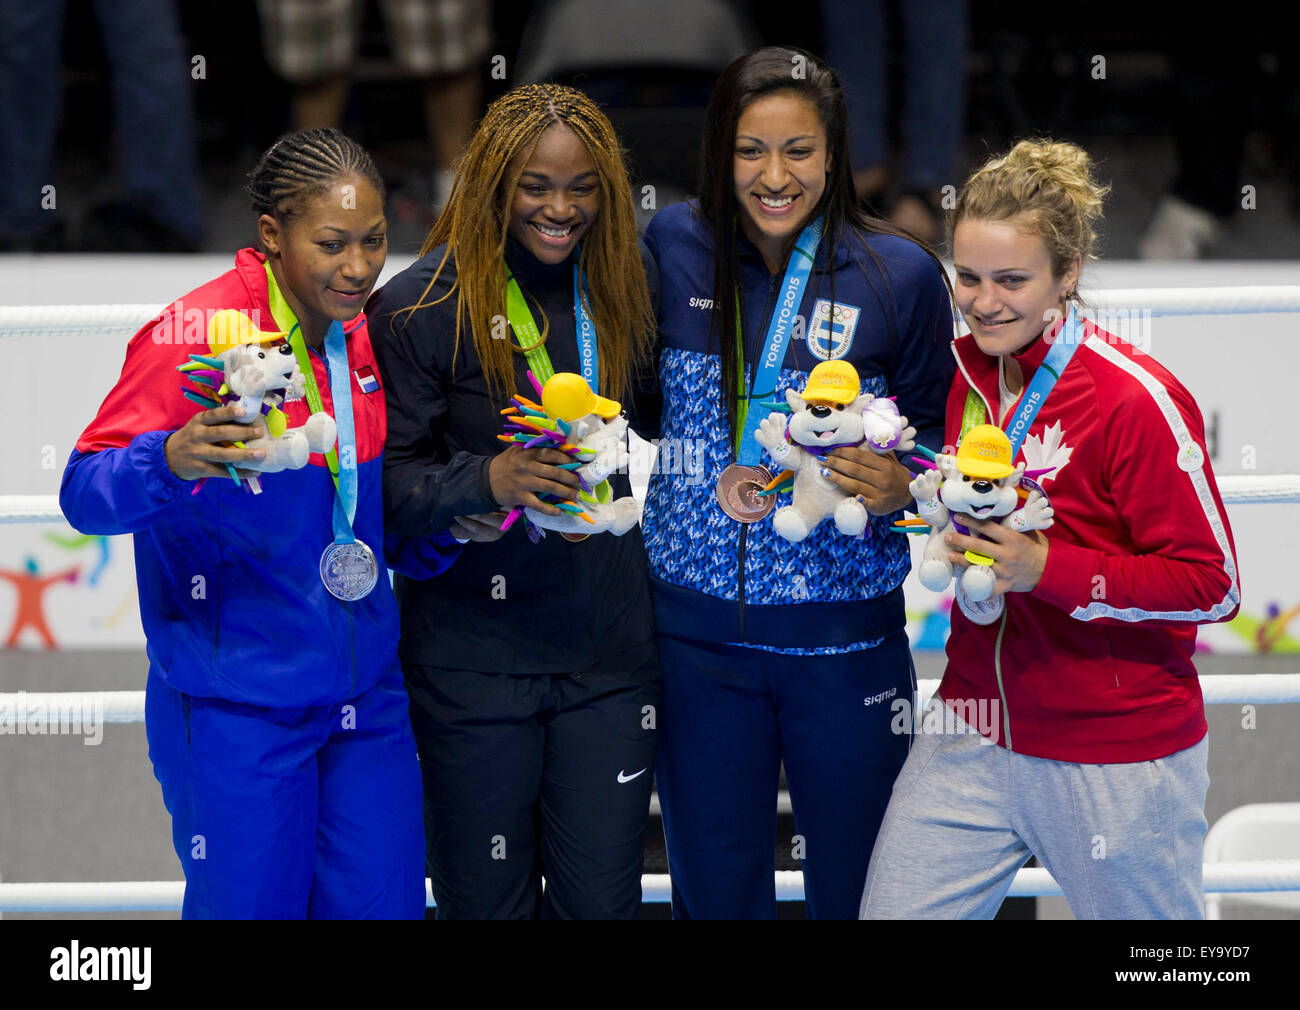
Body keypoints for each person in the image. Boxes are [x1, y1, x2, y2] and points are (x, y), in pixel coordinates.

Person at [59, 128, 459, 919]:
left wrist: (452, 527)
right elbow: (82, 492)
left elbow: (372, 521)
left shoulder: (370, 335)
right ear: (272, 235)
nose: (358, 266)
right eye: (332, 243)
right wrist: (168, 458)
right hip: (234, 708)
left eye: (375, 240)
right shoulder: (197, 336)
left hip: (365, 699)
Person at [861, 139, 1241, 920]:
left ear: (1066, 275)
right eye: (967, 277)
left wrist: (1049, 569)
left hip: (1116, 750)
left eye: (1012, 280)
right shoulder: (959, 373)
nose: (985, 301)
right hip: (973, 724)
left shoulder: (1135, 400)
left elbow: (1215, 583)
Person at [641, 46, 956, 919]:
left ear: (835, 152)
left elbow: (945, 441)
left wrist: (904, 484)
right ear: (718, 150)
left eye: (799, 151)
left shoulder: (901, 273)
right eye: (750, 150)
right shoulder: (669, 243)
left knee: (861, 896)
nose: (774, 177)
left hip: (844, 646)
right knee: (714, 896)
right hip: (696, 644)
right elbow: (629, 399)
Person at [367, 83, 661, 920]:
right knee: (484, 904)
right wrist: (487, 480)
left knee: (600, 905)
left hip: (608, 657)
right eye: (534, 185)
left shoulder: (625, 287)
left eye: (581, 188)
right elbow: (383, 494)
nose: (559, 209)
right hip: (471, 663)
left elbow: (664, 424)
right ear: (491, 181)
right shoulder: (418, 308)